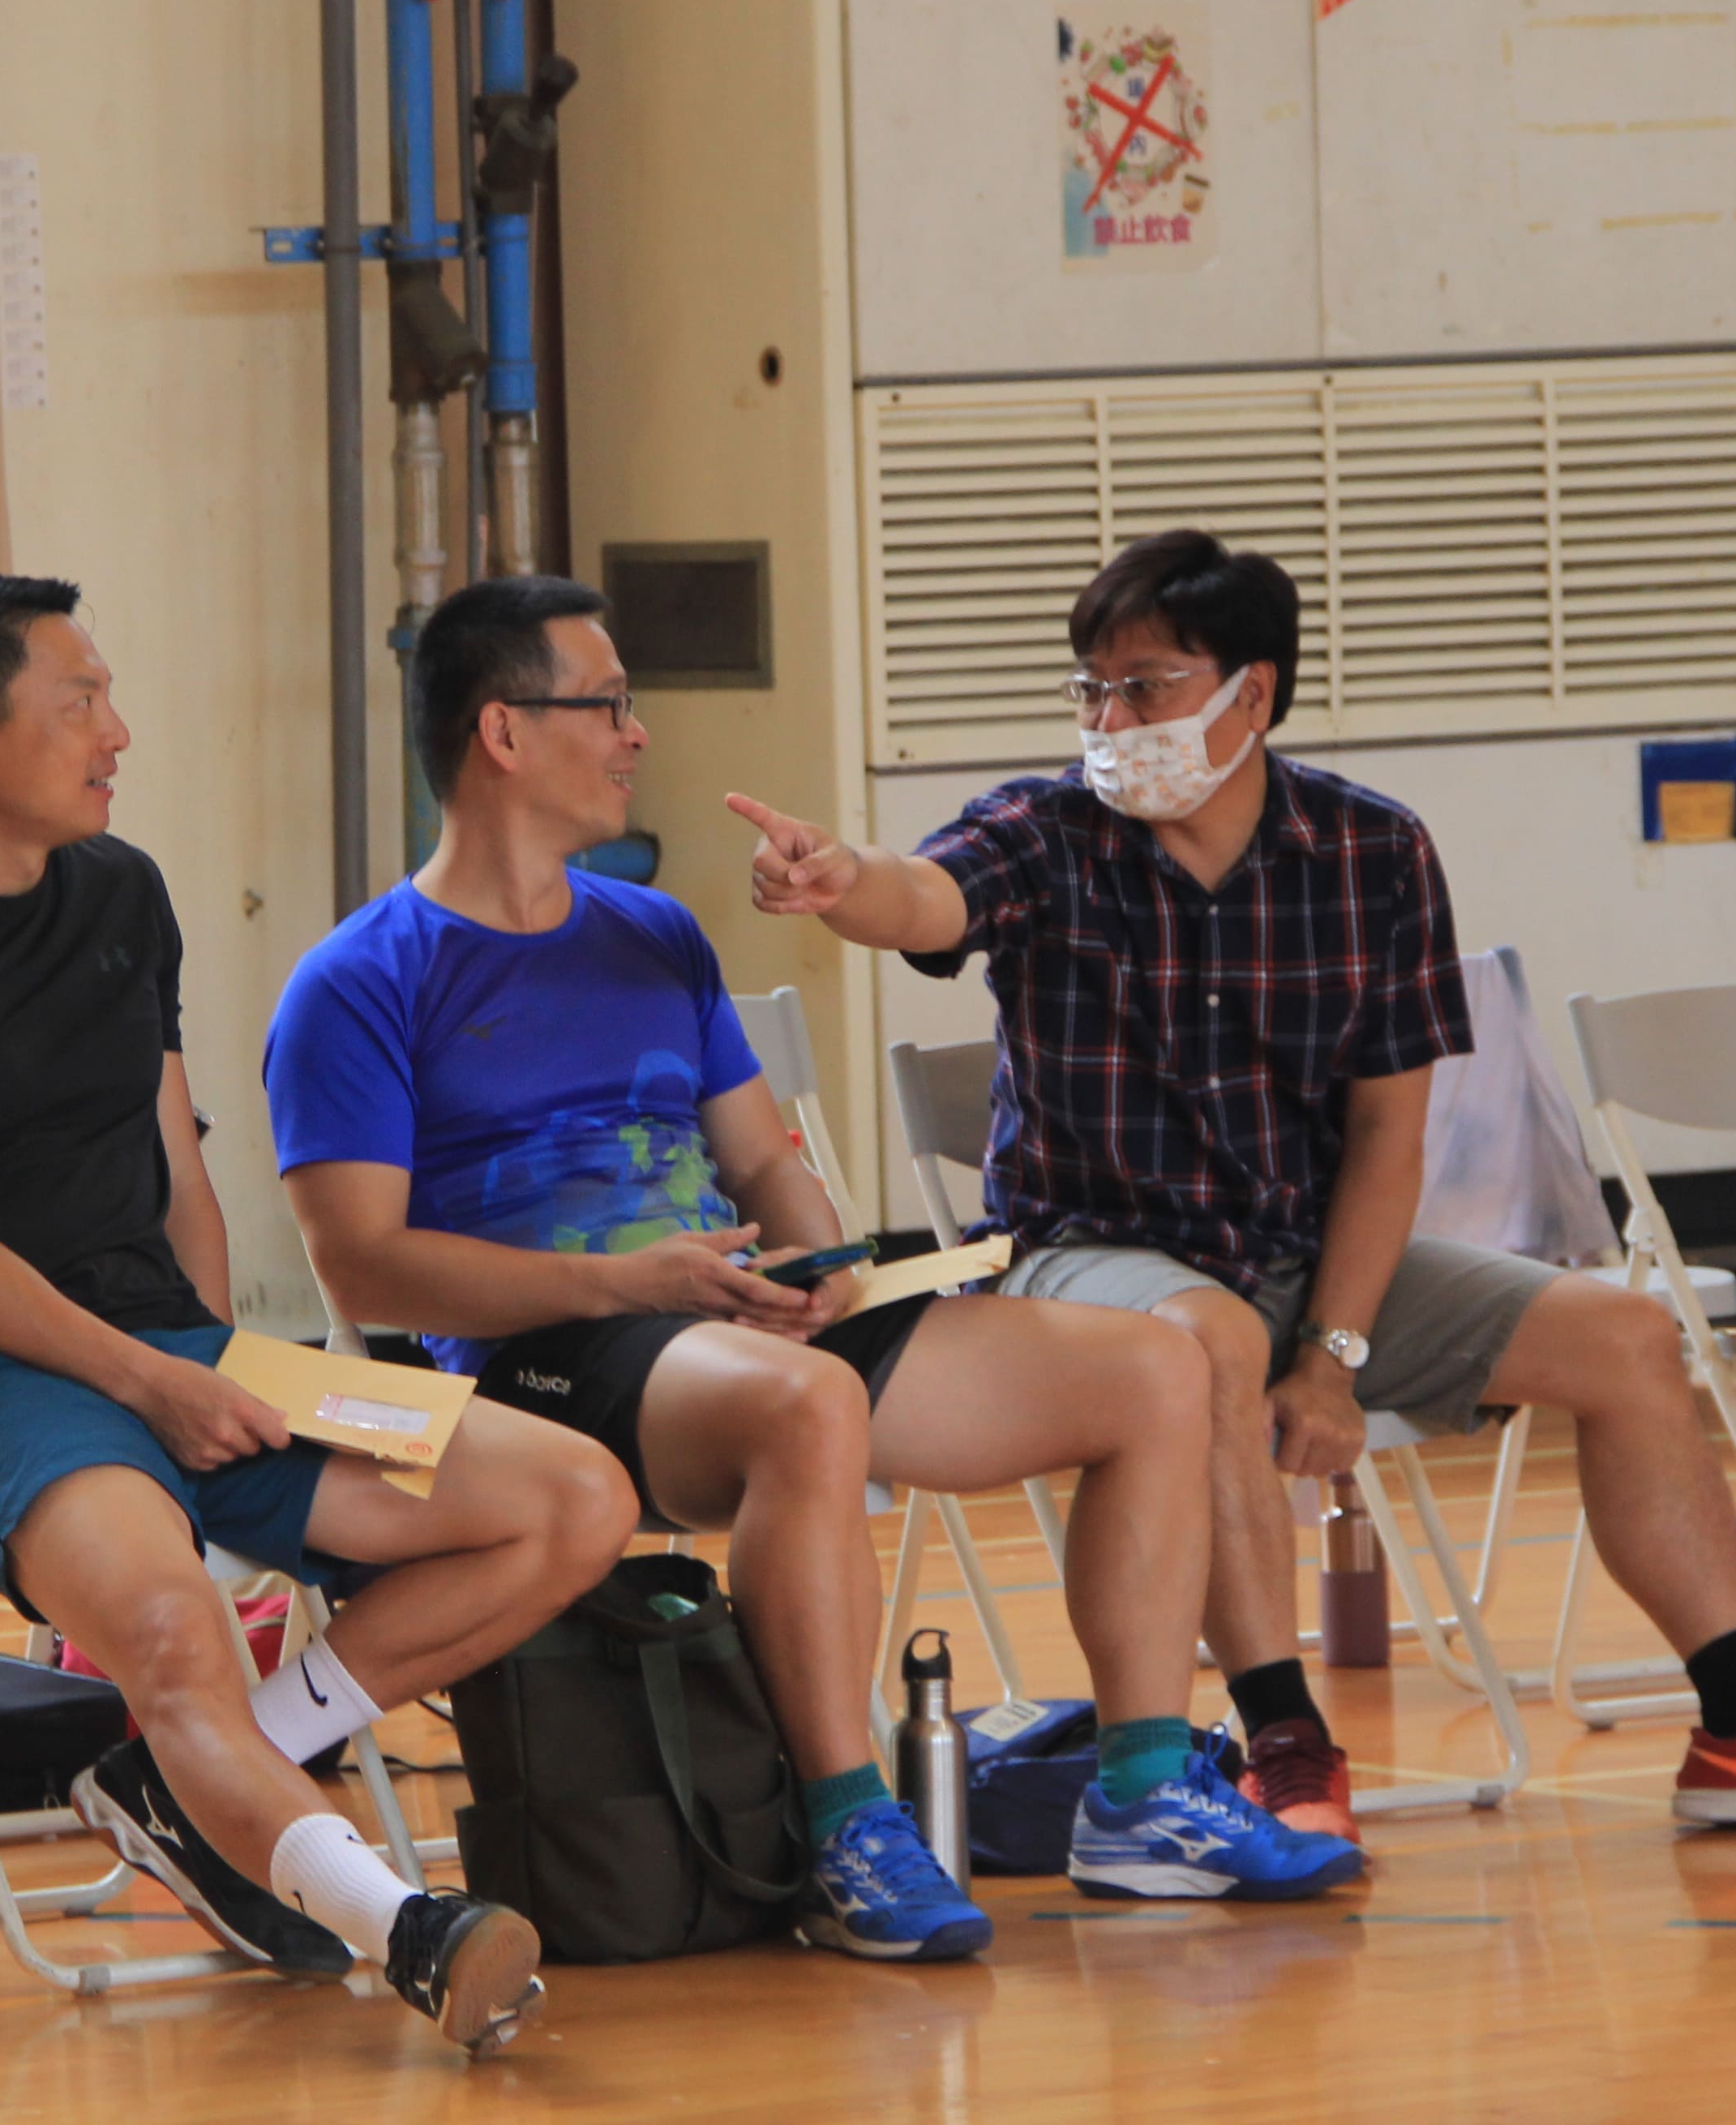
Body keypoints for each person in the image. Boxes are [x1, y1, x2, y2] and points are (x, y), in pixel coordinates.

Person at [731, 529, 1736, 1834]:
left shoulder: (1372, 851)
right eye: (1091, 691)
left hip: (1304, 1253)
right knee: (1212, 1338)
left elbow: (1392, 1136)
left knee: (1626, 1336)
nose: (1112, 724)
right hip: (1092, 1260)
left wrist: (1334, 1355)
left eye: (1147, 688)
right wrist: (843, 880)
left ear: (1251, 695)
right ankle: (1283, 1740)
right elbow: (926, 898)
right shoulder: (1049, 832)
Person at [270, 577, 1352, 1961]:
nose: (636, 735)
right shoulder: (359, 979)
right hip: (547, 1358)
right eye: (606, 705)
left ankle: (1140, 1793)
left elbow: (762, 1162)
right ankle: (842, 1827)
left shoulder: (652, 933)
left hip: (719, 1318)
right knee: (806, 1403)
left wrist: (817, 1257)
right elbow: (365, 1273)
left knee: (1158, 1366)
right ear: (502, 732)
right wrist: (629, 1285)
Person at [0, 574, 636, 2051]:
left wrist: (216, 1368)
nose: (117, 731)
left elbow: (180, 1177)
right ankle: (403, 1927)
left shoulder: (120, 894)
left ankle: (190, 1782)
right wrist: (153, 1388)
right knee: (171, 1623)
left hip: (183, 1354)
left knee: (573, 1496)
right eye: (79, 701)